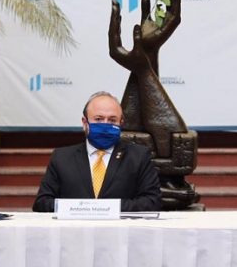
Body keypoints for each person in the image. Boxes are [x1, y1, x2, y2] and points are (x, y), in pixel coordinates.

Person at [33, 91, 162, 212]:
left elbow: (152, 201)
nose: (105, 125)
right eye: (98, 119)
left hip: (119, 228)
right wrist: (81, 209)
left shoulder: (139, 157)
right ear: (85, 122)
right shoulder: (62, 158)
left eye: (112, 120)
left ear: (121, 123)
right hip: (75, 228)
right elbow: (42, 203)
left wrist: (107, 209)